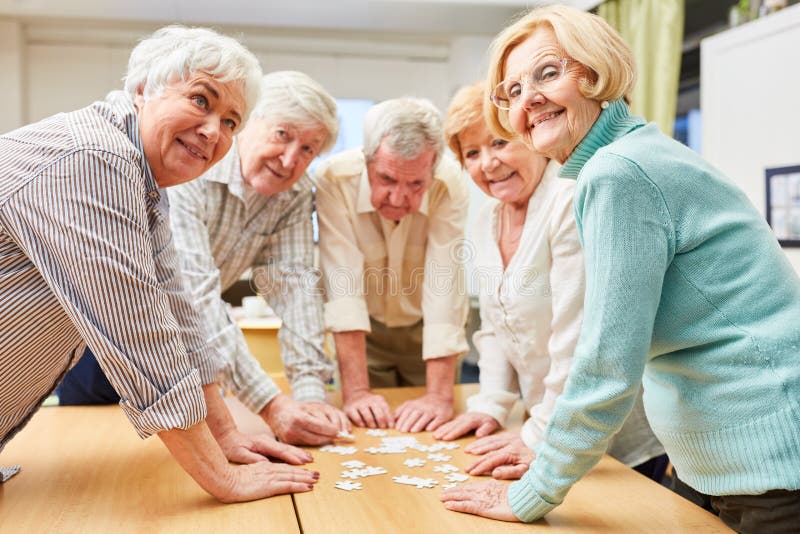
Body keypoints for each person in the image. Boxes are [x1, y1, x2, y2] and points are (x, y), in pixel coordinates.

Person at [440, 6, 800, 532]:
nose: (528, 100)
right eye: (511, 91)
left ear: (595, 71)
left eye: (547, 73)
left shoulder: (618, 172)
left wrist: (536, 488)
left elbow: (607, 360)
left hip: (765, 458)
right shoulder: (629, 157)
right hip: (719, 459)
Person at [0, 25, 319, 502]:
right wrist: (222, 477)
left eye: (231, 121)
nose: (214, 130)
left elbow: (180, 312)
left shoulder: (143, 180)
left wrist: (226, 436)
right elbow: (139, 329)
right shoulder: (95, 157)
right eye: (200, 100)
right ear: (144, 88)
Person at [59, 71, 350, 445]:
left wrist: (310, 397)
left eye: (309, 149)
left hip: (186, 357)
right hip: (105, 339)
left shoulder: (294, 194)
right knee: (92, 462)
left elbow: (296, 293)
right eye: (283, 135)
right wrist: (270, 404)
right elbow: (195, 294)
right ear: (248, 123)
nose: (291, 159)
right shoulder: (193, 166)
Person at [434, 81, 666, 482]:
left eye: (499, 143)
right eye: (472, 153)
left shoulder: (570, 197)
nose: (488, 163)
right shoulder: (486, 219)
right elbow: (495, 329)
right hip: (544, 426)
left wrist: (543, 434)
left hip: (606, 433)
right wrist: (490, 404)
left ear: (532, 137)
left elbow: (578, 336)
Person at [315, 97, 469, 433]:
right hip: (363, 336)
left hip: (428, 334)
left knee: (435, 429)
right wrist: (356, 393)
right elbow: (343, 289)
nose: (400, 199)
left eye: (416, 184)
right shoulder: (335, 180)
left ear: (433, 168)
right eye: (386, 179)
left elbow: (445, 286)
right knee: (369, 431)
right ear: (367, 160)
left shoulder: (450, 181)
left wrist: (439, 396)